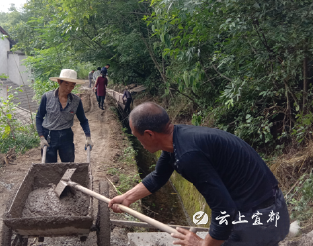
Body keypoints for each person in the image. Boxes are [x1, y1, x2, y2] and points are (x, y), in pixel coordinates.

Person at [108, 102, 290, 246]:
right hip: (266, 210)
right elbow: (158, 177)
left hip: (260, 219)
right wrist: (127, 198)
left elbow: (224, 209)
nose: (139, 142)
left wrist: (202, 244)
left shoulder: (189, 156)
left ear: (149, 134)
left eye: (137, 137)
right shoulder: (177, 141)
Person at [36, 69, 94, 163]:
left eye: (72, 85)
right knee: (49, 168)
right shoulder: (47, 97)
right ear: (59, 82)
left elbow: (83, 120)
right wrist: (42, 137)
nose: (69, 88)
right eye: (66, 84)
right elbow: (39, 117)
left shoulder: (76, 101)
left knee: (68, 165)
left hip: (66, 136)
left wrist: (88, 137)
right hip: (49, 136)